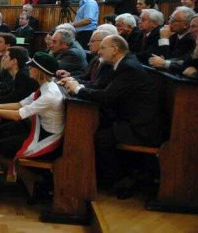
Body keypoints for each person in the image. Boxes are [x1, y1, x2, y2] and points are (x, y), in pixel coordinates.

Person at [63, 35, 161, 196]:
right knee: (98, 129)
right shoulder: (122, 64)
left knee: (101, 138)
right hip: (127, 118)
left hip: (139, 126)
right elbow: (103, 89)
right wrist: (78, 85)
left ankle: (118, 180)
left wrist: (78, 90)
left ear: (114, 50)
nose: (99, 52)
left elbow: (108, 96)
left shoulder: (128, 67)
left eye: (103, 48)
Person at [0, 52, 64, 191]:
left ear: (41, 71)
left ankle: (34, 182)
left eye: (32, 67)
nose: (29, 69)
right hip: (38, 130)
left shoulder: (50, 94)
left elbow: (18, 115)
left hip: (48, 138)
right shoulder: (44, 87)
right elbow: (20, 104)